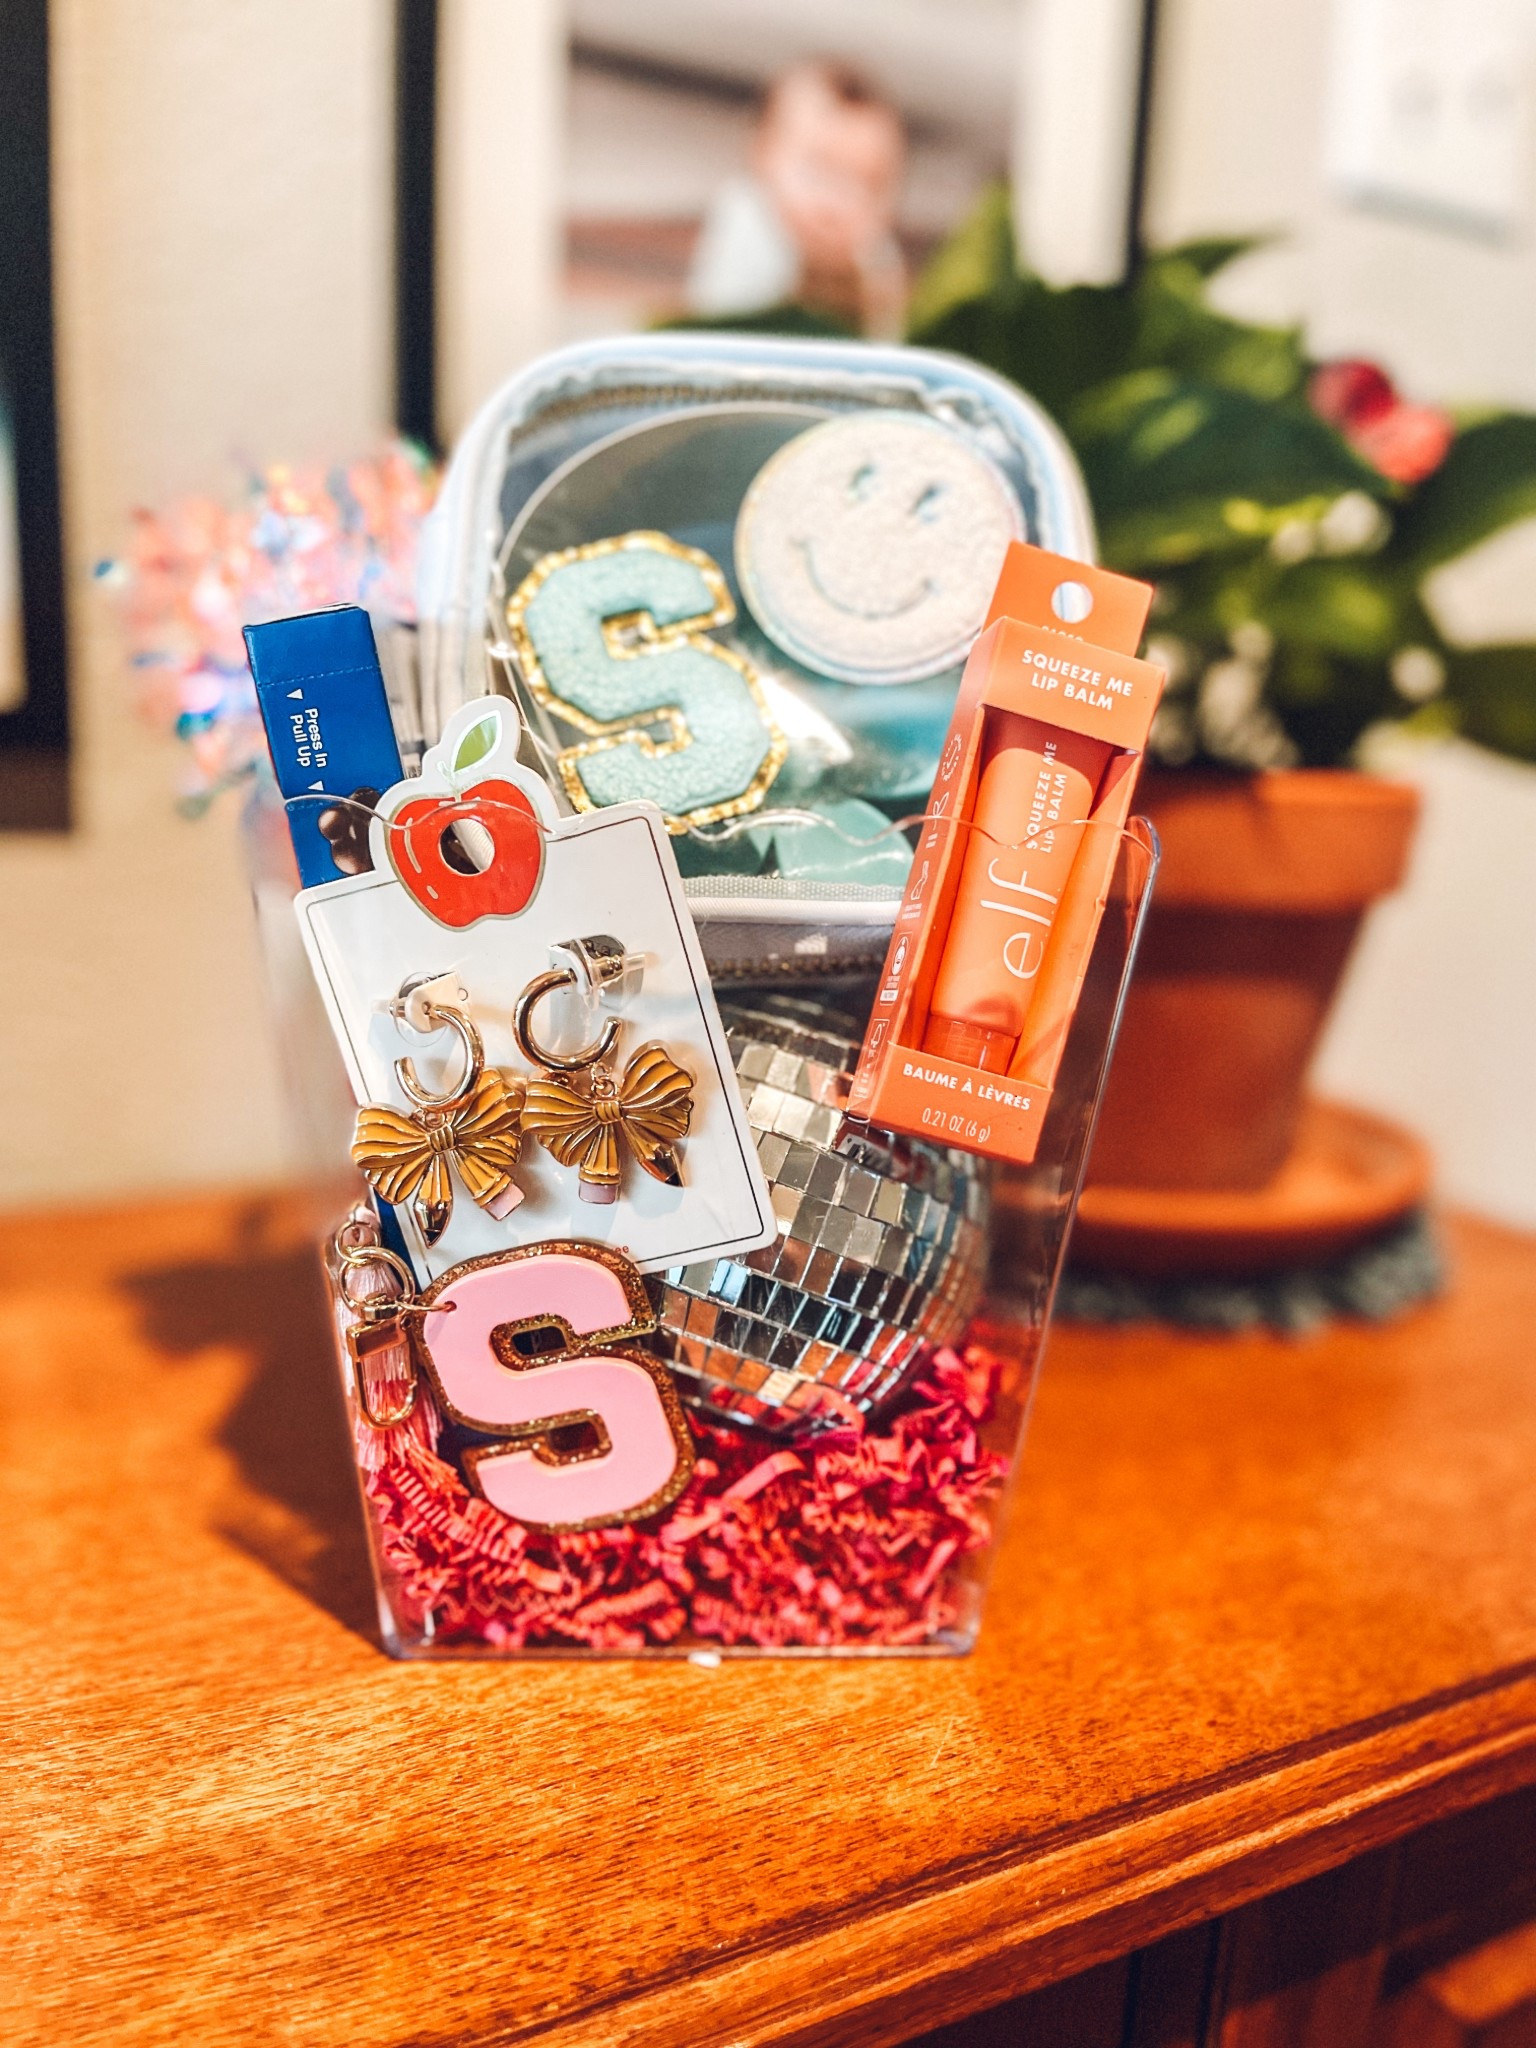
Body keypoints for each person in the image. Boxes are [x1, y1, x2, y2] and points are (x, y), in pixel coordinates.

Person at [686, 61, 908, 338]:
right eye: (818, 174)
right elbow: (725, 327)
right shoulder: (749, 215)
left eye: (870, 186)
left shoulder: (874, 256)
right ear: (761, 155)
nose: (838, 205)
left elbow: (886, 346)